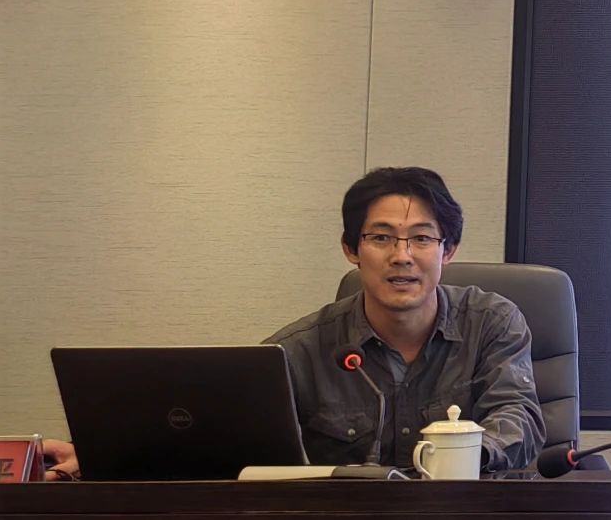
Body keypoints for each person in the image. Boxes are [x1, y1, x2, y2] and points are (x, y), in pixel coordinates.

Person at [44, 166, 545, 478]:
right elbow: (220, 435)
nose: (402, 256)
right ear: (351, 249)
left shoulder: (491, 323)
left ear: (447, 250)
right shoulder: (298, 350)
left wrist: (465, 454)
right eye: (381, 238)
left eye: (421, 238)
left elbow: (518, 418)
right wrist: (106, 457)